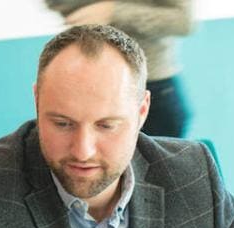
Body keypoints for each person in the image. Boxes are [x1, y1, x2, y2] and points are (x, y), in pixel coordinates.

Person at [0, 24, 234, 228]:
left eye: (106, 125)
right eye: (63, 123)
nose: (83, 151)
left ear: (142, 111)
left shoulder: (193, 173)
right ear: (37, 101)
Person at [46, 0, 195, 137]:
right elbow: (61, 5)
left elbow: (183, 21)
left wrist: (113, 11)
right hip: (92, 82)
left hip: (152, 86)